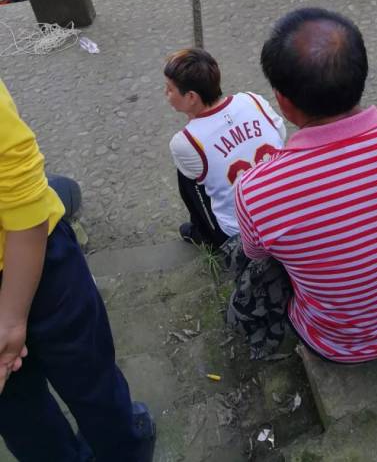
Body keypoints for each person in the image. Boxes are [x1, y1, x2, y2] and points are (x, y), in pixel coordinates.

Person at [235, 7, 377, 363]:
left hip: (340, 345)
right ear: (361, 73)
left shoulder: (258, 192)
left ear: (283, 101)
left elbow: (256, 255)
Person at [0, 78, 155, 462]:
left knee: (16, 407)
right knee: (90, 376)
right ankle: (125, 448)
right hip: (40, 268)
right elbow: (24, 196)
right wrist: (12, 318)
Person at [164, 48, 285, 249]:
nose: (165, 93)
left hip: (240, 230)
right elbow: (280, 136)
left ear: (192, 96)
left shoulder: (185, 141)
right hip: (283, 208)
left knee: (188, 174)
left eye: (169, 89)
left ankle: (206, 235)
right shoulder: (253, 100)